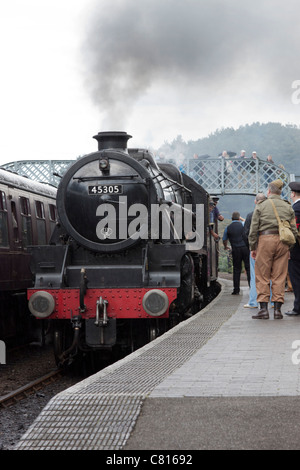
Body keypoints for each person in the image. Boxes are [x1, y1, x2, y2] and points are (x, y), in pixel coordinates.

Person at [248, 179, 298, 320]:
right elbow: (293, 230)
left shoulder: (262, 206)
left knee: (262, 275)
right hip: (283, 242)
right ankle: (277, 311)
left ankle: (263, 310)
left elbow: (253, 229)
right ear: (280, 192)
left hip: (265, 240)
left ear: (269, 191)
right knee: (279, 276)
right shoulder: (287, 206)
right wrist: (289, 247)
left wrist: (253, 247)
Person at [243, 193, 267, 308]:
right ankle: (271, 301)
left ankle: (253, 301)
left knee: (254, 275)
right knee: (269, 274)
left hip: (256, 247)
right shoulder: (269, 214)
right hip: (268, 247)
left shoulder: (250, 215)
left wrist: (251, 247)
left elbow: (246, 233)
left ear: (255, 202)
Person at [223, 211, 250, 295]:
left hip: (235, 249)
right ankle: (251, 287)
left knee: (236, 269)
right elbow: (246, 223)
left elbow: (224, 239)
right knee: (248, 268)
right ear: (239, 218)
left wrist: (225, 246)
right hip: (245, 248)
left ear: (231, 219)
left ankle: (236, 290)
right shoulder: (242, 224)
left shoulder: (228, 227)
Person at [285, 181, 300, 316]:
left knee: (296, 278)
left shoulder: (295, 209)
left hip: (296, 250)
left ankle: (298, 307)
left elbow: (292, 231)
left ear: (293, 193)